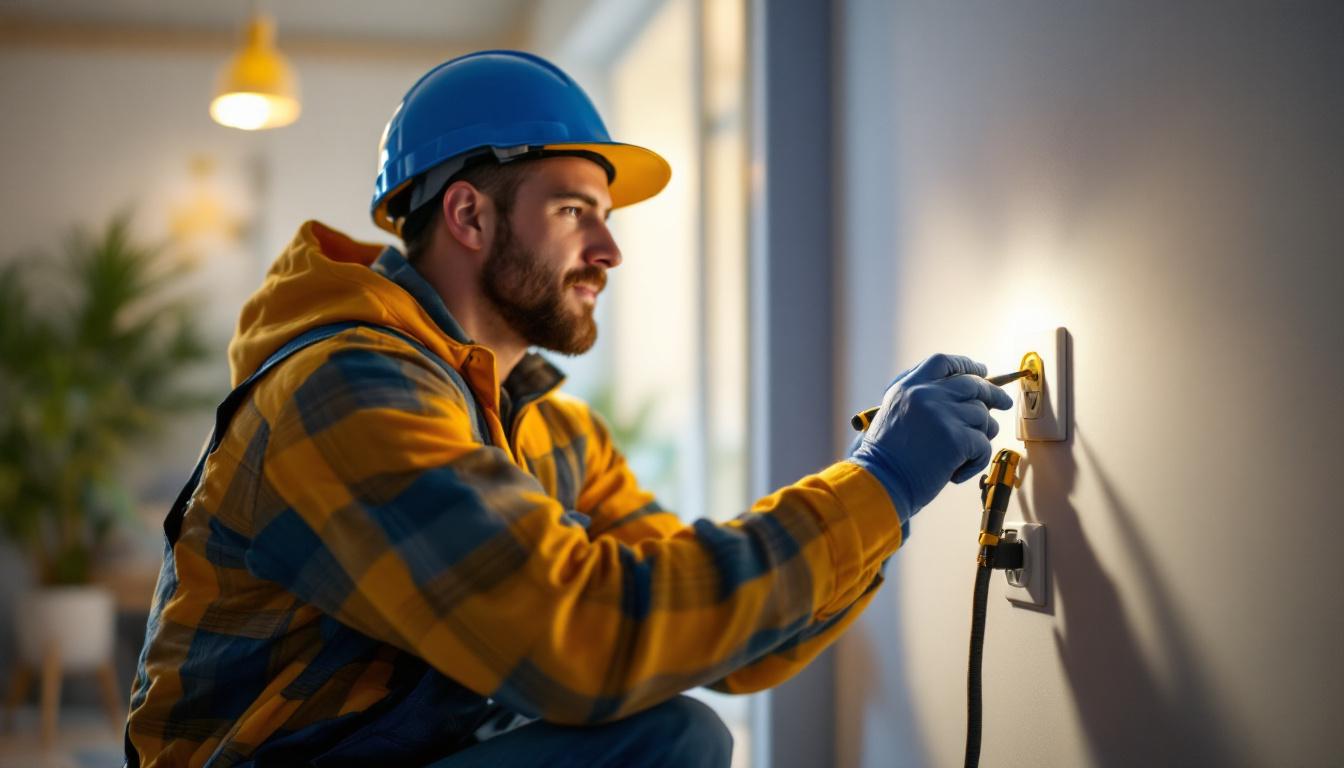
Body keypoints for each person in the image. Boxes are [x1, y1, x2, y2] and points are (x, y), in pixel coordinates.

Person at [124, 50, 1012, 767]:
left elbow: (715, 636)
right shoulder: (345, 392)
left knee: (678, 730)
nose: (610, 248)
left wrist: (880, 503)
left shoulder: (551, 430)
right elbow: (587, 640)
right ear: (469, 216)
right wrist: (878, 481)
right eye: (575, 209)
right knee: (664, 742)